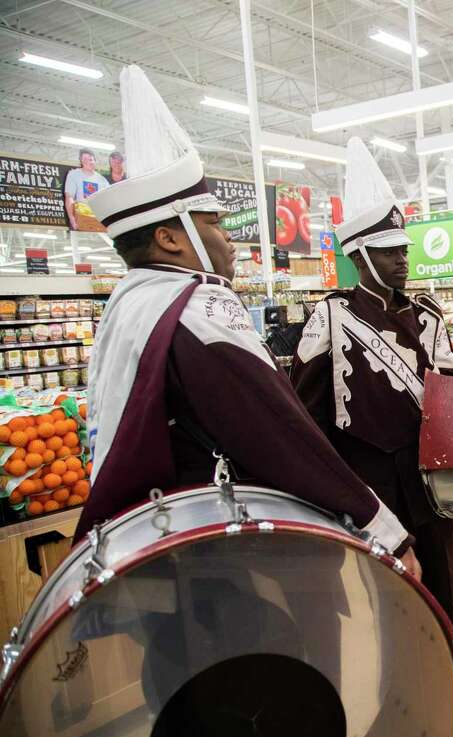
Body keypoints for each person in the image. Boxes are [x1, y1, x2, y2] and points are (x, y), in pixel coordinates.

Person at [81, 66, 414, 571]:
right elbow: (277, 427)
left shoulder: (130, 304)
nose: (229, 239)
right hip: (215, 547)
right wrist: (379, 527)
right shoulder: (198, 308)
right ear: (171, 238)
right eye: (214, 223)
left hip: (149, 540)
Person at [291, 137, 453, 723]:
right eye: (387, 251)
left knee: (444, 579)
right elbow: (306, 413)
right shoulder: (330, 318)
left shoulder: (429, 315)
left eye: (403, 248)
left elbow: (446, 387)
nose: (401, 259)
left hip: (428, 478)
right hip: (371, 482)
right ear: (359, 256)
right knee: (388, 593)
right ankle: (400, 694)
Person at [64, 148, 111, 230]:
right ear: (81, 161)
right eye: (84, 159)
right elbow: (69, 197)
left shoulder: (102, 180)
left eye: (90, 159)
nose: (88, 162)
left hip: (98, 219)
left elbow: (107, 202)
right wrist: (72, 219)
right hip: (81, 218)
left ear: (95, 161)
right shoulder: (74, 174)